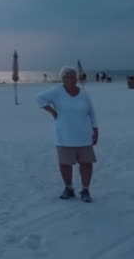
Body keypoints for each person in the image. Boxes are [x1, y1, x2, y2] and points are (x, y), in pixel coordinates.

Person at [37, 66, 99, 202]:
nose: (72, 79)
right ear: (63, 79)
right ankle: (68, 188)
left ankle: (85, 189)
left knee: (86, 163)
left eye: (74, 76)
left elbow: (92, 112)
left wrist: (95, 129)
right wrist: (52, 111)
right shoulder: (56, 92)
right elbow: (39, 98)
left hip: (84, 135)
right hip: (64, 136)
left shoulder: (84, 93)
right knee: (65, 164)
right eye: (69, 77)